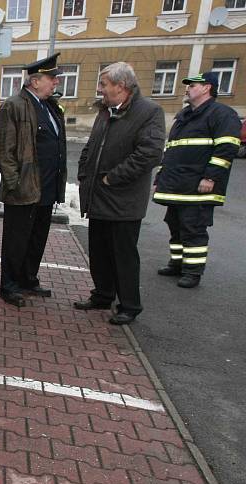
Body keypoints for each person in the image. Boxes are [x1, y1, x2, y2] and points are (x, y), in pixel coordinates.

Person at [75, 62, 165, 325]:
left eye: (104, 84)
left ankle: (129, 305)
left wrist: (112, 177)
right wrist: (84, 172)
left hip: (123, 200)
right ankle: (102, 295)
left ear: (121, 86)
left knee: (123, 255)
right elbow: (91, 146)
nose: (100, 89)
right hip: (98, 196)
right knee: (100, 251)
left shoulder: (149, 112)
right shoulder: (105, 111)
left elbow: (149, 154)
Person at [152, 72, 242, 288]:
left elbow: (227, 148)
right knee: (175, 225)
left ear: (207, 88)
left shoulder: (221, 114)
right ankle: (177, 263)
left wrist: (210, 177)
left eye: (193, 85)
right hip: (177, 185)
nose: (188, 88)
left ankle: (193, 271)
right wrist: (161, 176)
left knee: (193, 228)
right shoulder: (185, 116)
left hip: (198, 186)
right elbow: (172, 149)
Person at [0, 53, 67, 307]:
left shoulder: (50, 106)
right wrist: (14, 183)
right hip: (23, 189)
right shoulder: (15, 105)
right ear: (35, 81)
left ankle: (28, 279)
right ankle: (9, 285)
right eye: (51, 78)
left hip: (46, 188)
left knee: (37, 238)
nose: (55, 82)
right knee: (16, 240)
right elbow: (3, 149)